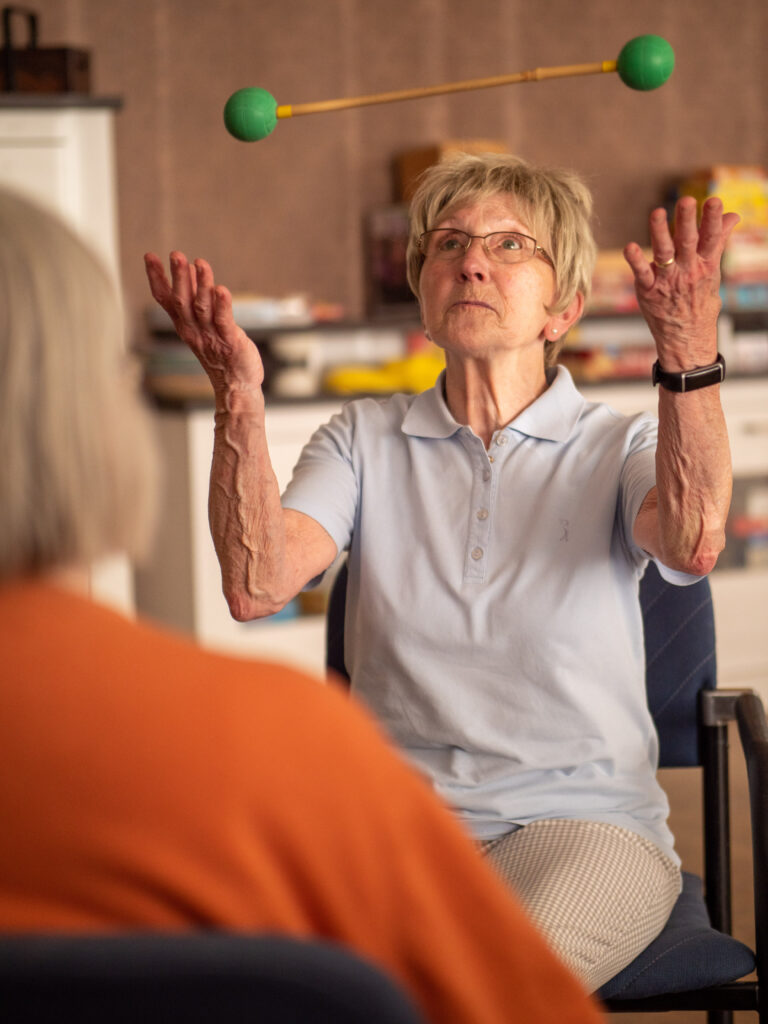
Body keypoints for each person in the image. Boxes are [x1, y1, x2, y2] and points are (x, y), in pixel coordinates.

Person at [144, 152, 737, 993]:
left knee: (487, 986)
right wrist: (237, 401)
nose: (472, 261)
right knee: (244, 976)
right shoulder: (362, 437)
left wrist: (688, 352)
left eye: (509, 245)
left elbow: (693, 539)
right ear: (423, 293)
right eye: (450, 243)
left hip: (583, 826)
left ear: (563, 307)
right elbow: (257, 582)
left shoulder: (622, 445)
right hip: (396, 831)